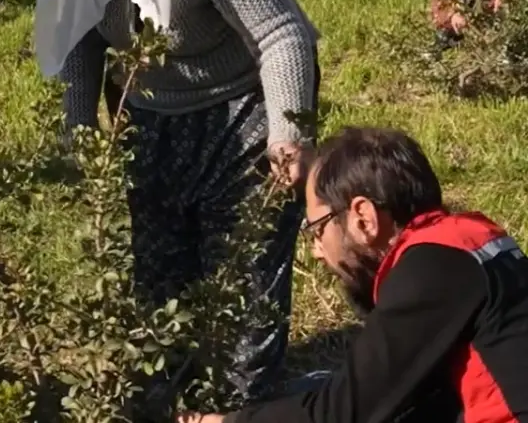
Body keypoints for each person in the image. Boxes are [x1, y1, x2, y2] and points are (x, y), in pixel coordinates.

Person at [34, 0, 320, 400]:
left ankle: (244, 407)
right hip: (152, 115)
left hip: (243, 108)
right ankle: (174, 402)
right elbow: (80, 39)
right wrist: (78, 131)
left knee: (245, 280)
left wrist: (289, 139)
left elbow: (281, 32)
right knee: (161, 286)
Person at [179, 126, 528, 423]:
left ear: (363, 217)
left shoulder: (430, 270)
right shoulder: (473, 239)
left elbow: (341, 414)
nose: (317, 251)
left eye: (317, 230)